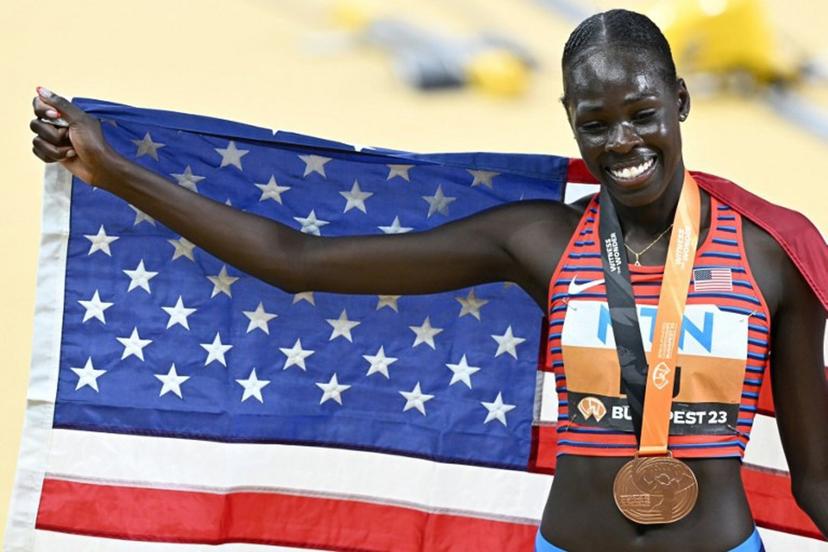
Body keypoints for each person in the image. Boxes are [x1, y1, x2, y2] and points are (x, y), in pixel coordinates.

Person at [28, 9, 826, 552]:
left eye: (642, 112)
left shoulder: (770, 255)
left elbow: (817, 478)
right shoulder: (538, 242)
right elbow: (296, 260)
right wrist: (113, 171)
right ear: (570, 121)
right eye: (595, 122)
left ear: (679, 101)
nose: (623, 140)